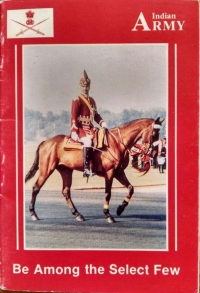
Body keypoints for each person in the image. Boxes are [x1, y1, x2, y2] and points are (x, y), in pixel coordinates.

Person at [70, 70, 107, 177]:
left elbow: (95, 115)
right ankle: (86, 168)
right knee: (87, 142)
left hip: (91, 128)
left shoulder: (92, 100)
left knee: (101, 140)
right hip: (81, 128)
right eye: (83, 87)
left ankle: (97, 165)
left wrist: (102, 123)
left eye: (87, 87)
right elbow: (73, 116)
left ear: (89, 87)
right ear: (81, 87)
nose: (85, 88)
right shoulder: (77, 100)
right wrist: (74, 131)